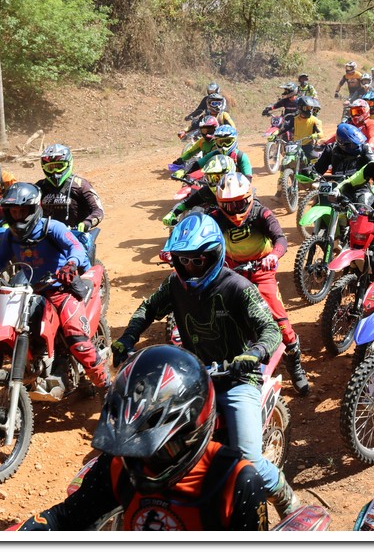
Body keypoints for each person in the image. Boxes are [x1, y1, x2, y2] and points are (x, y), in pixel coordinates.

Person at [110, 214, 300, 516]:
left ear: (214, 255)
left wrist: (254, 354)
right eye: (183, 260)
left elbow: (270, 329)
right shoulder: (175, 285)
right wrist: (128, 337)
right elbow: (148, 308)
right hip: (194, 377)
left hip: (238, 379)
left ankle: (285, 497)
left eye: (197, 260)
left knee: (247, 460)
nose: (189, 267)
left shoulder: (238, 287)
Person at [18, 345, 269, 531]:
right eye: (135, 446)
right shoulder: (119, 464)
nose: (142, 462)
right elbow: (65, 519)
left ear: (192, 434)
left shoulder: (236, 480)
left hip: (239, 380)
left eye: (161, 449)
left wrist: (255, 352)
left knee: (251, 453)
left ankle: (281, 492)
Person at [0, 183, 108, 393]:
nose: (18, 216)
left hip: (61, 289)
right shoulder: (10, 236)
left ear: (33, 209)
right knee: (9, 326)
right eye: (14, 212)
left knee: (76, 338)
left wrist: (71, 264)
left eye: (22, 211)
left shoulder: (52, 228)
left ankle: (105, 384)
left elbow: (75, 247)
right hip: (30, 291)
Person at [210, 172, 308, 395]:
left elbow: (280, 238)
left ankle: (294, 363)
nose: (234, 210)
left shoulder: (261, 213)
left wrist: (273, 255)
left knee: (280, 320)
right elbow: (197, 232)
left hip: (261, 270)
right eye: (228, 205)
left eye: (239, 203)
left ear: (249, 198)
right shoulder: (214, 217)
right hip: (231, 270)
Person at [35, 144, 105, 239]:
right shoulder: (39, 187)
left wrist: (87, 222)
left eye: (59, 166)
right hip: (47, 236)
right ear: (44, 168)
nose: (55, 171)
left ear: (68, 164)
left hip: (76, 235)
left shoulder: (80, 185)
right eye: (50, 168)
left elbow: (98, 210)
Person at [163, 154, 236, 227]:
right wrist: (172, 213)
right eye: (210, 178)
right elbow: (186, 203)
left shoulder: (239, 192)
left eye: (217, 178)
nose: (214, 182)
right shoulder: (208, 192)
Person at [311, 123, 374, 198]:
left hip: (359, 187)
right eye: (353, 144)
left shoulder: (365, 147)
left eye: (359, 143)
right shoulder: (331, 149)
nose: (358, 147)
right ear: (342, 143)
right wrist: (309, 173)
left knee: (364, 203)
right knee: (319, 200)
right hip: (335, 186)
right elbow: (317, 169)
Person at [292, 95, 324, 166]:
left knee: (315, 159)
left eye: (312, 109)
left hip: (309, 145)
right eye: (307, 108)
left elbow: (321, 134)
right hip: (296, 145)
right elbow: (286, 127)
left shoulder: (315, 120)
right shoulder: (295, 119)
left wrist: (315, 136)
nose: (311, 111)